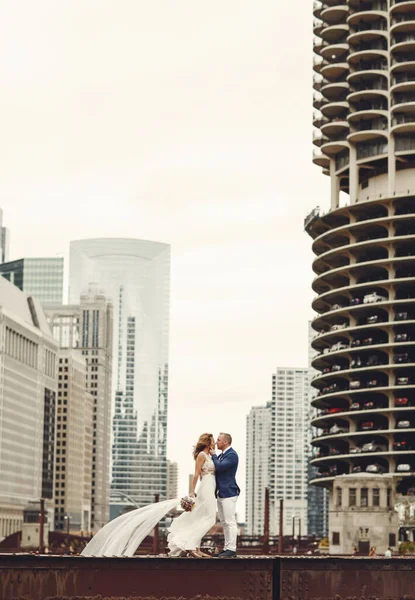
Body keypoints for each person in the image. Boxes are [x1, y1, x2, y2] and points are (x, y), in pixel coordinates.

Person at [81, 433, 217, 557]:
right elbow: (197, 475)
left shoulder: (210, 456)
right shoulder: (201, 456)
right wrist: (192, 491)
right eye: (213, 441)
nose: (214, 443)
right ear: (207, 443)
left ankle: (195, 548)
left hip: (211, 487)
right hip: (206, 488)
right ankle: (191, 546)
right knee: (207, 518)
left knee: (202, 517)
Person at [211, 432, 240, 558]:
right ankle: (227, 547)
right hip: (221, 493)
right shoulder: (224, 455)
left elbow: (220, 467)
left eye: (218, 440)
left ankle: (232, 549)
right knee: (224, 522)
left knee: (230, 521)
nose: (216, 442)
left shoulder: (232, 455)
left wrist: (213, 455)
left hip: (229, 492)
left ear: (225, 442)